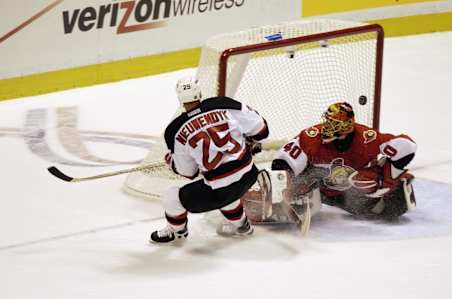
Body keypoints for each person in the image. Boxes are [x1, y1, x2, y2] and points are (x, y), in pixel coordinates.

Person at [150, 76, 269, 244]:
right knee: (227, 188)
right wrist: (248, 141)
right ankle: (242, 225)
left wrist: (172, 162)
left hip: (220, 191)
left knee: (172, 197)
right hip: (249, 176)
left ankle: (177, 232)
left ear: (180, 98)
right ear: (199, 92)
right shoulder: (225, 104)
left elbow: (188, 172)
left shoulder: (175, 130)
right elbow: (262, 131)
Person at [265, 101, 417, 220]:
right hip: (320, 188)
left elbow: (407, 146)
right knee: (308, 176)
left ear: (347, 127)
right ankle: (289, 200)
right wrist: (285, 189)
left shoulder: (366, 138)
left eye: (334, 124)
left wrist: (389, 176)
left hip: (349, 194)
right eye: (328, 121)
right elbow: (282, 161)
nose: (327, 127)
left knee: (394, 208)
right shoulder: (311, 136)